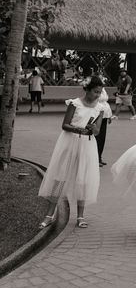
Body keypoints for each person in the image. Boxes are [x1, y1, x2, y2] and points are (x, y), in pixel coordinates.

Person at [37, 76, 105, 229]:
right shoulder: (75, 103)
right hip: (70, 141)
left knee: (83, 179)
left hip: (87, 145)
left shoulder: (100, 108)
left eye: (99, 93)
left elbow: (97, 131)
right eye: (95, 91)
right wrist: (77, 129)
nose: (97, 95)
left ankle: (80, 216)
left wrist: (93, 128)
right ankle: (49, 215)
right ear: (87, 89)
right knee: (60, 177)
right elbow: (65, 125)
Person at [96, 86, 114, 167]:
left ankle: (99, 157)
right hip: (98, 113)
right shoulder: (94, 89)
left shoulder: (103, 89)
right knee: (97, 137)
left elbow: (106, 103)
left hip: (105, 114)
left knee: (102, 137)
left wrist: (109, 116)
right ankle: (95, 158)